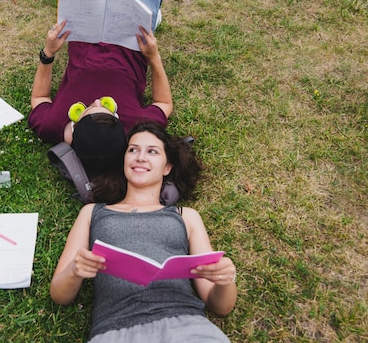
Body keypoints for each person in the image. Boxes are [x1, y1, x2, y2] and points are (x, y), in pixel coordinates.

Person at [50, 121, 237, 342]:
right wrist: (75, 270)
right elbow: (59, 295)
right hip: (115, 330)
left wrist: (224, 281)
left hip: (186, 325)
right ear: (124, 161)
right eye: (133, 150)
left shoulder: (186, 216)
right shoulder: (92, 213)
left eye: (152, 151)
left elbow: (221, 307)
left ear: (167, 167)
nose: (140, 157)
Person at [28, 0, 172, 176]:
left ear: (74, 124)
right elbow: (164, 105)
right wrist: (154, 57)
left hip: (84, 37)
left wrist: (49, 52)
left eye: (88, 109)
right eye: (106, 107)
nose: (96, 101)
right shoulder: (136, 126)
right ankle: (151, 17)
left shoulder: (52, 125)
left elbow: (39, 98)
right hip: (132, 40)